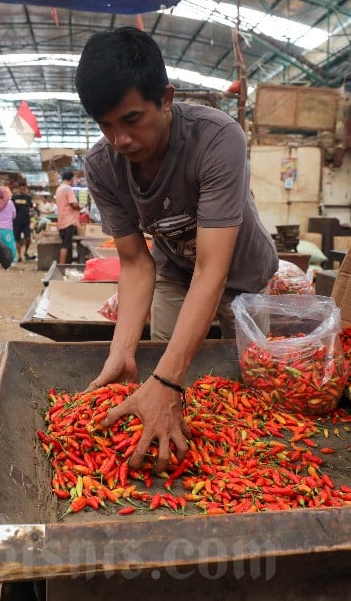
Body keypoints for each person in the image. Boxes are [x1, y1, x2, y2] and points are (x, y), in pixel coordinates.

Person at [75, 26, 278, 473]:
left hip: (241, 276)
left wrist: (167, 379)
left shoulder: (217, 139)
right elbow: (133, 263)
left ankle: (244, 462)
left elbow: (213, 270)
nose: (120, 140)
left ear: (165, 99)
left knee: (250, 382)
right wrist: (122, 351)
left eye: (131, 120)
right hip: (174, 272)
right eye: (105, 125)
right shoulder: (102, 165)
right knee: (165, 361)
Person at [55, 170, 81, 265]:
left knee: (67, 244)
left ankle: (67, 264)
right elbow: (73, 204)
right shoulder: (68, 189)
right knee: (65, 245)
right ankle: (62, 265)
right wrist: (80, 208)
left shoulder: (59, 189)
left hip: (62, 221)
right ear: (71, 178)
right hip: (69, 221)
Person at [0, 185, 17, 264]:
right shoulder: (10, 203)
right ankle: (11, 261)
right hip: (8, 228)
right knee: (9, 245)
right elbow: (14, 215)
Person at [11, 182, 36, 261]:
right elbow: (11, 208)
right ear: (19, 188)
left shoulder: (28, 197)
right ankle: (19, 256)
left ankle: (25, 252)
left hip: (26, 221)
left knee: (28, 238)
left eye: (24, 189)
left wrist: (31, 210)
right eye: (22, 189)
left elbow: (31, 207)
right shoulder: (14, 197)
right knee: (17, 239)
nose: (23, 191)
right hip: (16, 221)